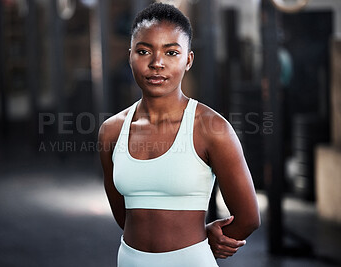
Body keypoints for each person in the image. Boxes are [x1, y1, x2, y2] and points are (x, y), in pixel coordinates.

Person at [98, 3, 260, 266]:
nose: (156, 63)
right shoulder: (111, 131)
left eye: (171, 52)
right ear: (130, 56)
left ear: (188, 60)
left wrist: (206, 241)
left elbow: (249, 217)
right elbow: (123, 215)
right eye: (144, 51)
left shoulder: (211, 128)